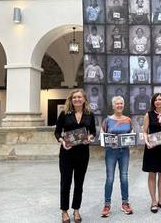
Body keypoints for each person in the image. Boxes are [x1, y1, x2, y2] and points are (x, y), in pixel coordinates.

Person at [54, 89, 96, 223]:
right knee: (65, 183)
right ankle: (64, 211)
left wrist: (90, 137)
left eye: (79, 97)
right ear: (71, 100)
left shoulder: (89, 114)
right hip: (67, 153)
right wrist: (62, 141)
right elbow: (57, 132)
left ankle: (76, 209)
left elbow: (93, 132)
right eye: (74, 97)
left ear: (84, 99)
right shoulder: (64, 113)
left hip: (83, 153)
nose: (77, 99)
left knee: (79, 183)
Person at [100, 96, 134, 217]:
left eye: (121, 104)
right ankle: (107, 205)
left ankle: (125, 203)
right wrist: (106, 140)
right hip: (111, 152)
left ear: (123, 105)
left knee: (124, 177)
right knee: (110, 178)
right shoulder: (107, 120)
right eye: (117, 104)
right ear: (113, 105)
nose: (119, 105)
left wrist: (131, 140)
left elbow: (131, 134)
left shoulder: (128, 120)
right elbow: (102, 135)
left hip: (124, 152)